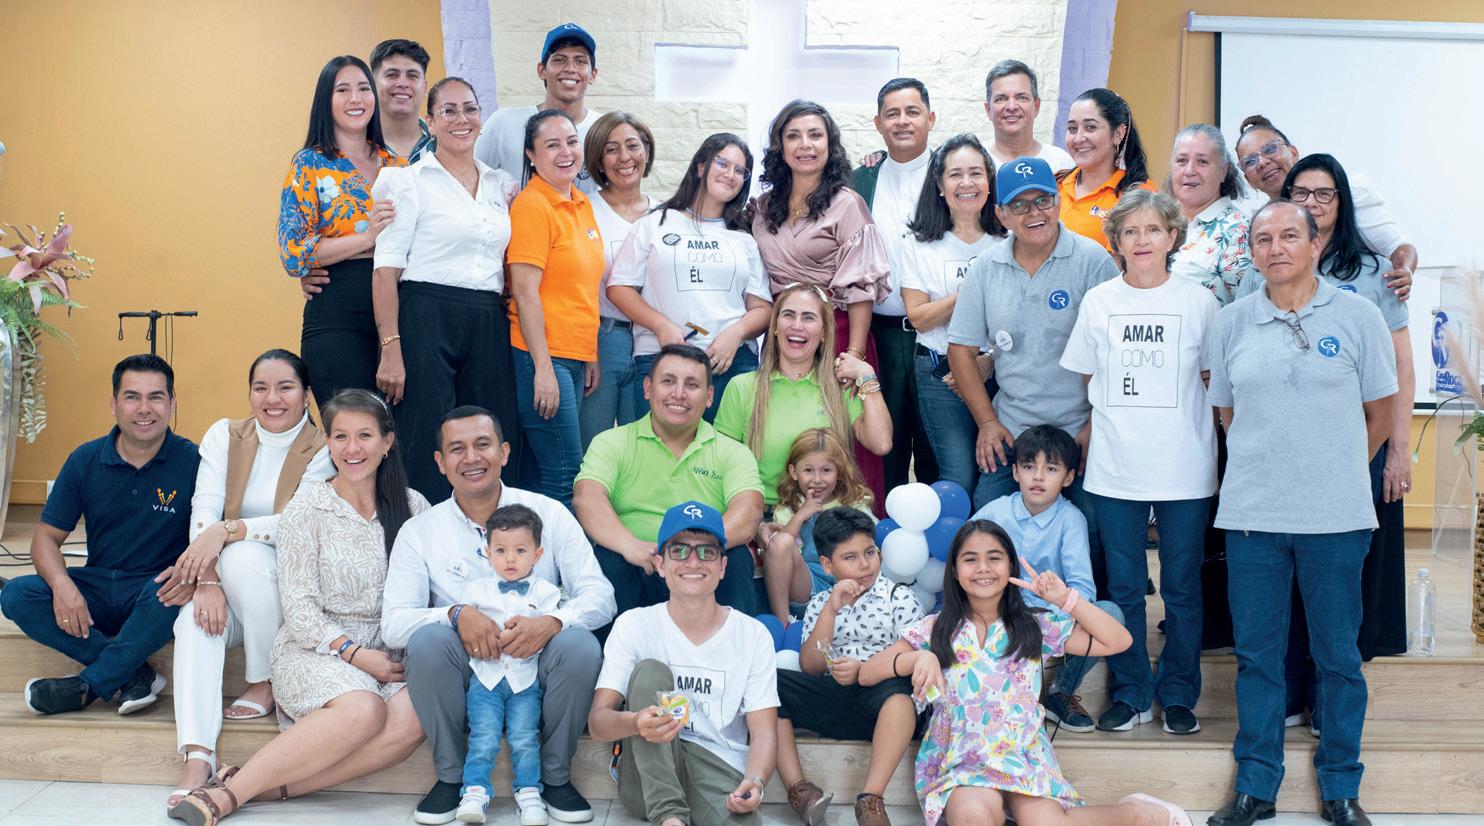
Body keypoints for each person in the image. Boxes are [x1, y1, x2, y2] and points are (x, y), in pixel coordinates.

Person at [1204, 201, 1397, 826]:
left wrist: (1337, 468)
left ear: (1316, 244)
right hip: (1253, 517)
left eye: (1290, 235)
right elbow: (1227, 414)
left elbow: (1381, 411)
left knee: (1337, 657)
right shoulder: (1231, 322)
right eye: (1263, 239)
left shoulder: (1359, 316)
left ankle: (1341, 788)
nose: (1276, 248)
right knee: (1258, 657)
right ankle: (1256, 787)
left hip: (1336, 519)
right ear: (1252, 252)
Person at [167, 389, 430, 826]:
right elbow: (300, 609)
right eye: (340, 436)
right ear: (328, 443)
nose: (352, 448)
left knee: (414, 719)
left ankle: (270, 788)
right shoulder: (307, 507)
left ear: (387, 442)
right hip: (316, 649)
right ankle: (228, 795)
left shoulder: (414, 507)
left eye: (364, 435)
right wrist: (356, 654)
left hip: (389, 652)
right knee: (363, 709)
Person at [860, 520, 1189, 826]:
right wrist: (918, 659)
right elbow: (867, 673)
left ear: (1010, 567)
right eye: (970, 559)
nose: (983, 567)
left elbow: (1119, 640)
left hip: (1023, 755)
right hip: (962, 760)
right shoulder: (936, 629)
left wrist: (1066, 599)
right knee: (972, 814)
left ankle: (1138, 812)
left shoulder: (1034, 625)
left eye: (994, 558)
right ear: (955, 572)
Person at [382, 406, 614, 825]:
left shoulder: (549, 513)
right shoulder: (421, 531)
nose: (471, 457)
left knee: (580, 644)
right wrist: (455, 614)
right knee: (427, 642)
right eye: (457, 449)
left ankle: (555, 777)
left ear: (504, 452)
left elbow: (601, 597)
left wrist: (553, 622)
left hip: (537, 665)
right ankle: (452, 777)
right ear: (440, 463)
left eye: (482, 444)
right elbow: (394, 624)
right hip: (471, 670)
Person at [1240, 155, 1414, 666]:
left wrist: (1396, 451)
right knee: (1283, 572)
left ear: (1343, 200)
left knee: (1344, 576)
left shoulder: (1374, 272)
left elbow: (1401, 368)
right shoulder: (1266, 269)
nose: (1312, 203)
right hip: (1282, 451)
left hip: (1362, 440)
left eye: (1324, 193)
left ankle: (1336, 679)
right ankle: (1294, 679)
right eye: (1301, 193)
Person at [1060, 190, 1219, 736]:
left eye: (1153, 229)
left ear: (1172, 237)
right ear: (1117, 242)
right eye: (1130, 231)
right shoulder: (1099, 301)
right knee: (1124, 587)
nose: (1142, 240)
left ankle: (1178, 694)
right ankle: (1131, 693)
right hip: (1116, 468)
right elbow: (1089, 375)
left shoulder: (1199, 302)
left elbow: (1213, 381)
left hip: (1185, 468)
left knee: (1182, 589)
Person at [166, 350, 334, 810]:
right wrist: (206, 581)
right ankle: (198, 755)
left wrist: (230, 531)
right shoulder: (225, 435)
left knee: (242, 555)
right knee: (192, 622)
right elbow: (204, 507)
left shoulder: (323, 447)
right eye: (261, 387)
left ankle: (264, 679)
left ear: (306, 395)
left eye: (285, 387)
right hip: (227, 581)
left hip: (288, 596)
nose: (272, 398)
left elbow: (296, 522)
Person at [1, 355, 198, 717]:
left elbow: (213, 536)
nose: (144, 409)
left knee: (172, 591)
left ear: (172, 404)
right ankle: (133, 673)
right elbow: (45, 536)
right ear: (113, 404)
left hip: (153, 594)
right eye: (132, 397)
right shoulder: (86, 459)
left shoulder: (195, 461)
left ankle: (87, 687)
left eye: (155, 397)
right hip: (96, 589)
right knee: (16, 594)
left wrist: (191, 574)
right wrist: (62, 585)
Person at [371, 76, 523, 502]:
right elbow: (384, 273)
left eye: (470, 109)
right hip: (425, 315)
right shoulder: (408, 181)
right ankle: (424, 530)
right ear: (431, 121)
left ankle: (493, 531)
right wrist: (390, 348)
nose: (461, 119)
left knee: (489, 430)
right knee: (427, 433)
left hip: (487, 318)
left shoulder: (501, 185)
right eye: (449, 111)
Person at [588, 501, 779, 826]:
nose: (693, 561)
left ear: (722, 566)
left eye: (707, 552)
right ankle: (670, 817)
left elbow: (763, 733)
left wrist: (756, 782)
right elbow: (597, 722)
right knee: (650, 672)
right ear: (660, 564)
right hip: (647, 778)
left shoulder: (752, 635)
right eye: (679, 551)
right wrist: (635, 722)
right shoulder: (634, 625)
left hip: (717, 770)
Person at [946, 156, 1120, 509]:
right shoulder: (985, 269)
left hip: (1079, 431)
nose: (1034, 212)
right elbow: (960, 350)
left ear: (1058, 202)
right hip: (1012, 432)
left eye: (1043, 200)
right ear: (1001, 215)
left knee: (1090, 532)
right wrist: (987, 422)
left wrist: (1095, 425)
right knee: (988, 522)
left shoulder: (1093, 261)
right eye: (1020, 205)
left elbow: (1115, 353)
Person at [752, 100, 891, 507]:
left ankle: (854, 528)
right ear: (780, 146)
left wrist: (855, 355)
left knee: (845, 435)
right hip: (785, 333)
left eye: (815, 135)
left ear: (830, 144)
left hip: (839, 333)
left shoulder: (847, 204)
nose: (805, 145)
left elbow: (862, 288)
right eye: (793, 136)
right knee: (785, 427)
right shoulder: (763, 207)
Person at [575, 345, 765, 618]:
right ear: (647, 389)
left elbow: (749, 512)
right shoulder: (612, 442)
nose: (679, 393)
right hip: (637, 560)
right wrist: (629, 545)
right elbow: (587, 498)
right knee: (610, 558)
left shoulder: (732, 452)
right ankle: (611, 646)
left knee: (734, 560)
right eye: (668, 381)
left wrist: (690, 553)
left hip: (701, 564)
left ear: (709, 396)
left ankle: (731, 646)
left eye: (692, 385)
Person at [969, 425, 1125, 734]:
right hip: (1000, 617)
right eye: (1029, 467)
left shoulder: (1071, 519)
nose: (1038, 477)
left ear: (1068, 478)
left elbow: (1083, 589)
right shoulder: (995, 512)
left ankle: (1060, 692)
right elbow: (963, 561)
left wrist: (1055, 606)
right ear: (1015, 472)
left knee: (1110, 614)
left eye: (1051, 469)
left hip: (1051, 617)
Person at [608, 133, 772, 421]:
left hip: (730, 363)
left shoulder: (743, 238)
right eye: (722, 163)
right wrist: (661, 326)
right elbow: (619, 287)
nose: (730, 174)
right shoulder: (655, 223)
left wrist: (734, 335)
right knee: (660, 448)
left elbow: (762, 309)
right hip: (661, 358)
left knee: (728, 448)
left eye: (740, 170)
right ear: (700, 166)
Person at [777, 507, 923, 826]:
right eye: (850, 557)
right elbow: (810, 666)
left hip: (884, 705)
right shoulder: (821, 603)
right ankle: (801, 792)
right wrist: (831, 609)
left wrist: (864, 670)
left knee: (900, 692)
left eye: (869, 552)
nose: (864, 564)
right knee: (769, 684)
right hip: (835, 700)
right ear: (828, 565)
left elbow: (913, 660)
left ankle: (870, 800)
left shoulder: (899, 598)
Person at [278, 55, 403, 408]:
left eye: (364, 88)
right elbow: (294, 253)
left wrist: (334, 248)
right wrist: (366, 240)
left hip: (399, 312)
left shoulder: (397, 165)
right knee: (351, 423)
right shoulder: (309, 164)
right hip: (337, 315)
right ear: (326, 100)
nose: (355, 99)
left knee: (400, 431)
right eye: (343, 90)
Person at [714, 283, 893, 516]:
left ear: (823, 332)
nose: (797, 325)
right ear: (775, 327)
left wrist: (867, 375)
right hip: (762, 516)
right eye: (788, 315)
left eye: (808, 317)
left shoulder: (840, 387)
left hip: (827, 516)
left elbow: (881, 443)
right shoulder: (742, 387)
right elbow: (722, 467)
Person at [507, 109, 606, 506]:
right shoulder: (533, 205)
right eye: (552, 145)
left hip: (574, 354)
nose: (565, 152)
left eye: (571, 142)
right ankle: (558, 549)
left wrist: (590, 352)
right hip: (543, 356)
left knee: (555, 470)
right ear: (531, 155)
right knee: (565, 473)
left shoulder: (581, 203)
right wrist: (543, 367)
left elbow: (582, 287)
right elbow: (525, 292)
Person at [900, 134, 1006, 495]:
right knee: (959, 476)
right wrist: (970, 292)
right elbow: (919, 317)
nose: (967, 183)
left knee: (998, 471)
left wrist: (990, 359)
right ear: (939, 185)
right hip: (940, 374)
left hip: (999, 371)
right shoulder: (919, 244)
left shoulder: (1008, 241)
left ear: (989, 182)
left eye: (976, 173)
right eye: (955, 174)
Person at [848, 78, 940, 492]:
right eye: (892, 114)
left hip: (939, 333)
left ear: (930, 119)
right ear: (878, 123)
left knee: (938, 446)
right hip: (880, 334)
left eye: (912, 112)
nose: (902, 121)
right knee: (885, 448)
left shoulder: (953, 173)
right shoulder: (860, 180)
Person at [455, 504, 562, 825]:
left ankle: (528, 794)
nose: (510, 559)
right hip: (485, 680)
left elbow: (553, 629)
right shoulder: (474, 591)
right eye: (500, 551)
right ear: (487, 552)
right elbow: (465, 631)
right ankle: (475, 792)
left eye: (520, 551)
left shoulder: (547, 593)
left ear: (537, 554)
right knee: (483, 736)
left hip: (525, 682)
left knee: (525, 738)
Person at [1233, 115, 1415, 299]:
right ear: (1248, 180)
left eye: (1270, 149)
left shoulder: (1348, 193)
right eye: (1250, 161)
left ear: (1293, 152)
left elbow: (1397, 246)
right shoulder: (1262, 224)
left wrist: (1404, 272)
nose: (1262, 162)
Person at [580, 112, 657, 447]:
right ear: (598, 160)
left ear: (646, 151)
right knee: (592, 445)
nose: (625, 157)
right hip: (602, 338)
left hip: (650, 341)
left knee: (644, 447)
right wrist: (588, 350)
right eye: (611, 150)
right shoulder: (582, 210)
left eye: (633, 146)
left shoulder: (666, 215)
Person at [758, 428, 876, 623]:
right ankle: (783, 623)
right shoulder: (789, 509)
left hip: (852, 585)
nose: (817, 479)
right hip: (809, 585)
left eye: (826, 470)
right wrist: (801, 515)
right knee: (781, 541)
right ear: (794, 472)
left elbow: (872, 550)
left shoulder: (853, 503)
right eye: (808, 470)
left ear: (839, 471)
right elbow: (777, 552)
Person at [475, 23, 602, 193]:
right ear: (542, 70)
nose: (570, 68)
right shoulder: (504, 123)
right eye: (559, 60)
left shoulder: (604, 130)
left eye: (580, 61)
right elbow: (468, 178)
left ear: (593, 74)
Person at [1057, 88, 1154, 252]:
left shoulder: (1138, 194)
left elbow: (1122, 261)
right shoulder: (1054, 183)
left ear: (1118, 134)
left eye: (1090, 127)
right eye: (1072, 128)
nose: (1078, 138)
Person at [1167, 124, 1253, 305]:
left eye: (1202, 162)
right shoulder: (1159, 222)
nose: (1189, 171)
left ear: (1223, 171)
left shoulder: (1239, 230)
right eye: (1181, 160)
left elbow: (1247, 308)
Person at [982, 60, 1074, 171]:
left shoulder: (1061, 163)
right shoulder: (974, 162)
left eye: (1022, 97)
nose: (1012, 107)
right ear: (988, 110)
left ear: (1036, 106)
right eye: (1001, 99)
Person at [370, 38, 435, 162]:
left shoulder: (444, 142)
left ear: (425, 87)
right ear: (372, 84)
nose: (403, 83)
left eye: (412, 76)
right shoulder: (353, 145)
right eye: (392, 75)